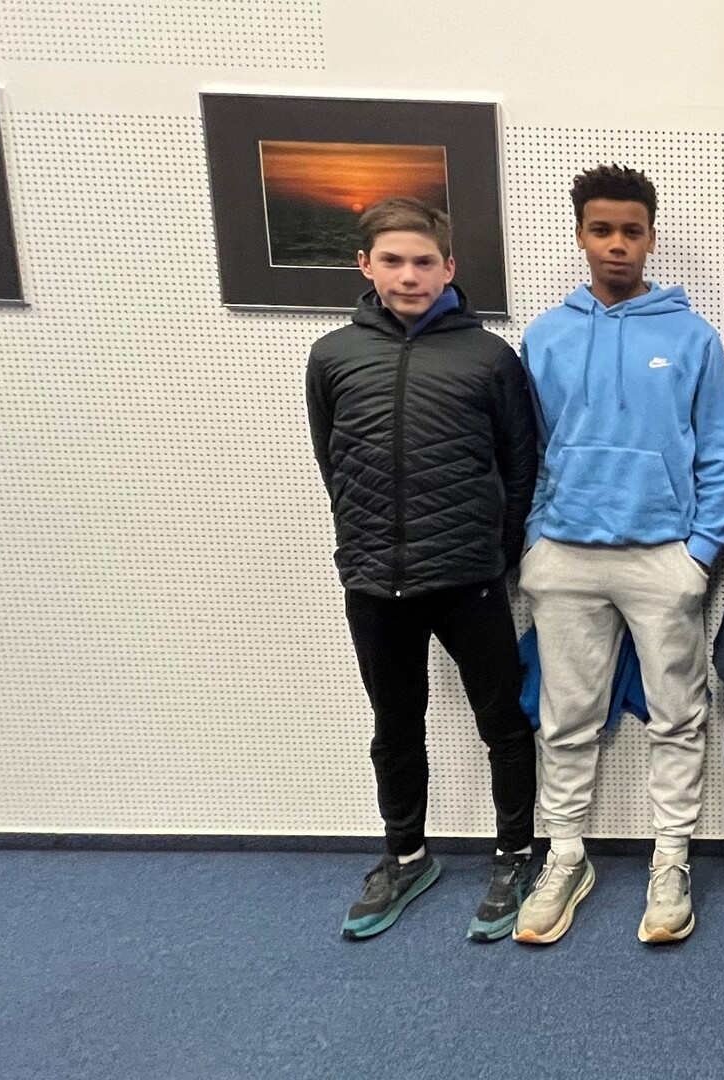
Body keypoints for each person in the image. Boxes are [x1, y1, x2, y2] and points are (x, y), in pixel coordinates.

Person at [515, 164, 724, 945]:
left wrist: (698, 554)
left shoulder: (691, 336)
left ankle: (670, 859)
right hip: (564, 558)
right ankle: (564, 857)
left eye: (631, 231)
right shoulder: (545, 335)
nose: (617, 244)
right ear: (580, 235)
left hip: (661, 559)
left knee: (677, 716)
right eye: (602, 230)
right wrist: (535, 544)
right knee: (565, 719)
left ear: (650, 237)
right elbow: (524, 450)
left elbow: (720, 453)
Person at [305, 197, 538, 942]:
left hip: (469, 576)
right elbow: (335, 463)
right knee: (395, 725)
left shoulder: (490, 358)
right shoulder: (333, 356)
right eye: (394, 261)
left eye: (424, 261)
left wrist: (497, 555)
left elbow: (520, 468)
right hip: (375, 580)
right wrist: (367, 544)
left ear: (449, 268)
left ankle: (515, 853)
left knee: (503, 721)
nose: (410, 275)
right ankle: (405, 854)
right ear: (365, 266)